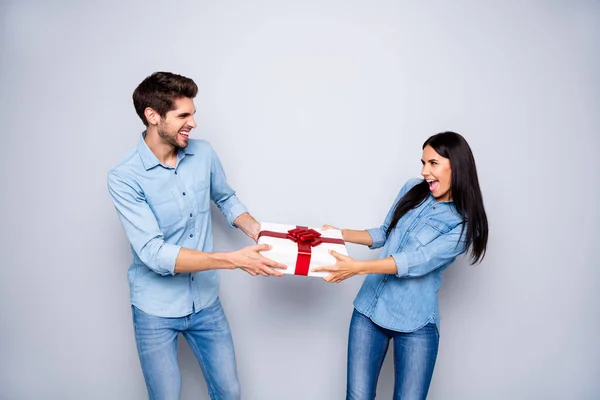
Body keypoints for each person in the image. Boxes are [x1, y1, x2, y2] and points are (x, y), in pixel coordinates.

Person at [107, 71, 285, 400]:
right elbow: (154, 254)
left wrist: (263, 232)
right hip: (155, 310)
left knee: (229, 392)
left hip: (205, 302)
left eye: (193, 113)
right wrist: (231, 261)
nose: (194, 123)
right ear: (152, 116)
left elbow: (226, 199)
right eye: (183, 115)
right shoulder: (124, 177)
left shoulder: (202, 154)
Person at [313, 131, 489, 400]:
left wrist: (357, 268)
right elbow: (384, 232)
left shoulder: (464, 226)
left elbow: (416, 262)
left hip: (416, 323)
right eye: (422, 163)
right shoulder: (412, 189)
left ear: (456, 165)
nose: (424, 172)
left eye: (433, 163)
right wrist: (337, 233)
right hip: (370, 310)